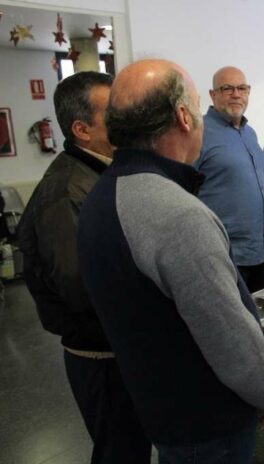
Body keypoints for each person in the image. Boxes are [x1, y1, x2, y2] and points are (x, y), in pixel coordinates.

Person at [76, 59, 264, 463]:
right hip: (208, 423)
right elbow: (228, 336)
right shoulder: (178, 214)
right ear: (184, 117)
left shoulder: (101, 196)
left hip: (162, 411)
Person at [17, 72, 151, 463]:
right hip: (100, 358)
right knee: (120, 452)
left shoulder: (100, 172)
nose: (126, 119)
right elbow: (82, 288)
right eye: (114, 112)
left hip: (119, 349)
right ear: (82, 129)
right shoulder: (65, 192)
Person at [195, 66, 264, 293]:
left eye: (242, 88)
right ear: (213, 95)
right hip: (223, 257)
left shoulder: (250, 133)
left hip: (260, 254)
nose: (236, 94)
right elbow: (181, 191)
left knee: (258, 314)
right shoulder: (197, 133)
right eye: (227, 88)